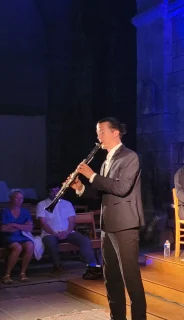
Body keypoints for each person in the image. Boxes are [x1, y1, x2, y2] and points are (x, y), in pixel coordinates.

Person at [70, 117, 146, 320]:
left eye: (102, 131)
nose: (98, 136)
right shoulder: (106, 161)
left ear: (115, 133)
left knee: (130, 279)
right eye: (97, 132)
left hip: (125, 225)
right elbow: (100, 194)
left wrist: (92, 175)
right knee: (111, 279)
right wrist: (81, 188)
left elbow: (121, 188)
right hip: (108, 225)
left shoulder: (130, 157)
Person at [37, 183, 101, 279]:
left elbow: (72, 221)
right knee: (50, 242)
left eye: (57, 191)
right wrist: (54, 233)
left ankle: (93, 268)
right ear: (48, 192)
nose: (55, 193)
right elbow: (43, 223)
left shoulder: (67, 204)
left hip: (67, 232)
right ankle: (58, 266)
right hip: (50, 233)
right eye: (52, 191)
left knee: (84, 240)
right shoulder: (42, 204)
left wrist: (66, 232)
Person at [1, 189, 34, 284]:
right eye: (17, 198)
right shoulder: (5, 211)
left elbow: (30, 227)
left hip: (22, 236)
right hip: (8, 236)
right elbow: (4, 228)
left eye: (21, 198)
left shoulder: (25, 212)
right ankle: (7, 274)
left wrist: (15, 225)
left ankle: (23, 273)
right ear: (11, 199)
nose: (20, 200)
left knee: (30, 245)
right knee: (18, 247)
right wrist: (23, 226)